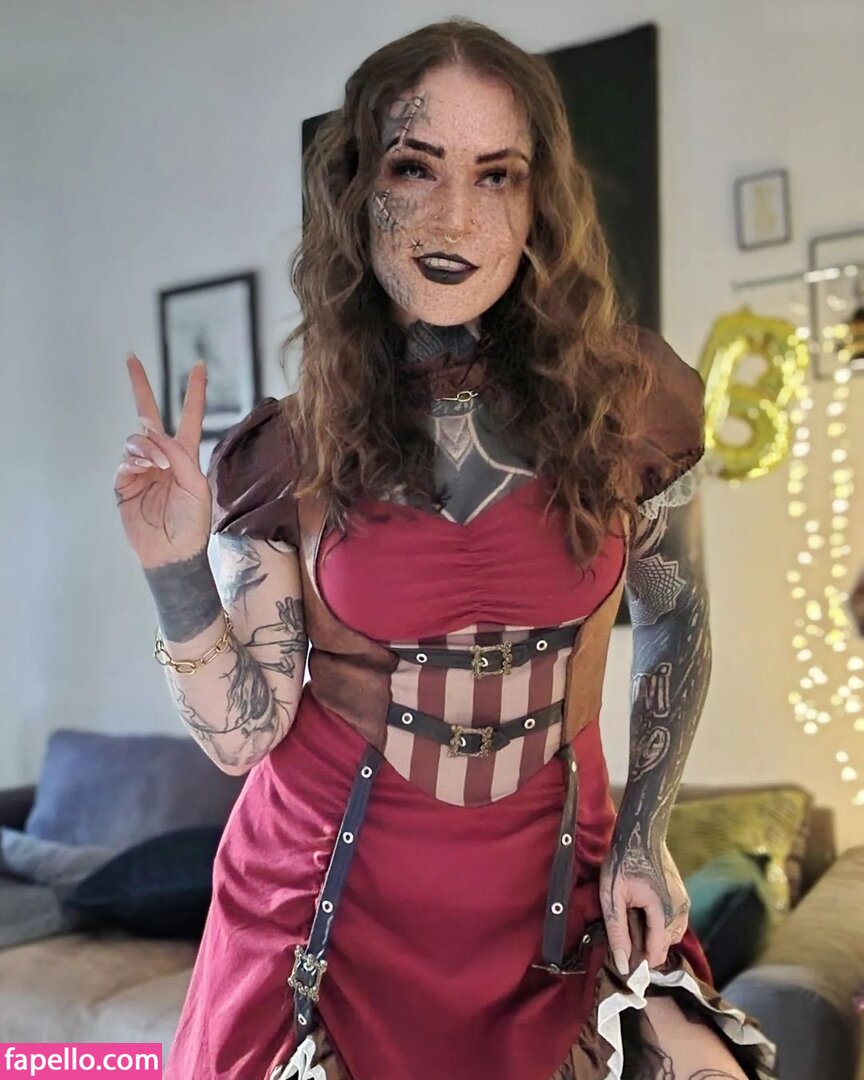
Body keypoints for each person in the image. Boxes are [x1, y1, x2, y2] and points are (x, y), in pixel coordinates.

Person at [115, 19, 776, 1080]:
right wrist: (174, 571)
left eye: (496, 174)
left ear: (539, 201)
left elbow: (676, 612)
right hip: (326, 908)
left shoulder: (630, 405)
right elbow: (246, 736)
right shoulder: (288, 451)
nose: (455, 217)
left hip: (557, 897)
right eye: (413, 167)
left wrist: (646, 831)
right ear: (357, 193)